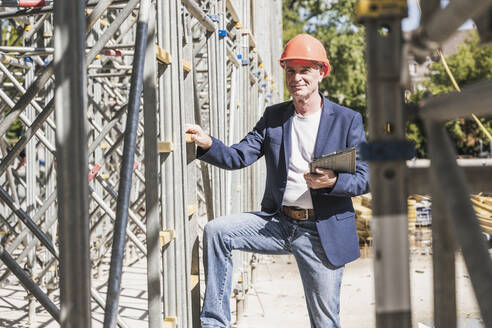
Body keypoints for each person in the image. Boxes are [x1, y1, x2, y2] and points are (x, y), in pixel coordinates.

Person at [186, 33, 369, 328]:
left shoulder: (347, 120)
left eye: (304, 70)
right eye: (290, 70)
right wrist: (208, 144)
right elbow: (238, 156)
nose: (296, 78)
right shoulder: (274, 117)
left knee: (325, 323)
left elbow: (365, 177)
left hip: (320, 233)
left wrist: (333, 182)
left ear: (322, 72)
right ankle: (215, 323)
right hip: (279, 223)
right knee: (217, 231)